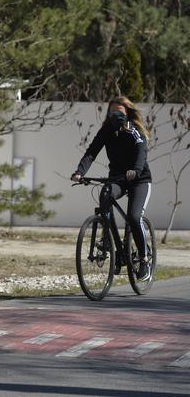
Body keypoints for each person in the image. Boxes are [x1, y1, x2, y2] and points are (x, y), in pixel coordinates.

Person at [71, 96, 153, 280]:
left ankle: (144, 258)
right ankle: (108, 242)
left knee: (133, 216)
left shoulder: (134, 130)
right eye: (112, 111)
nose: (115, 115)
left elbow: (142, 151)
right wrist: (79, 172)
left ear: (127, 113)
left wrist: (136, 170)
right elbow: (91, 152)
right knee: (105, 195)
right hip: (118, 178)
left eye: (120, 112)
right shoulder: (106, 130)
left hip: (139, 179)